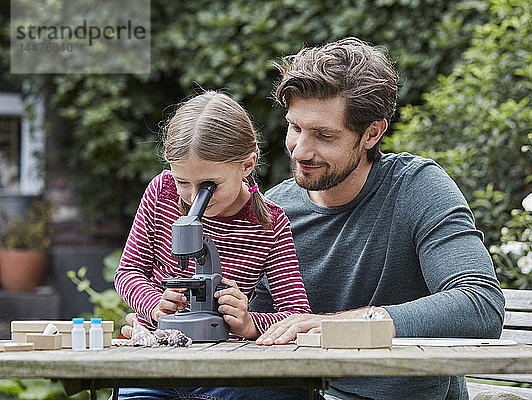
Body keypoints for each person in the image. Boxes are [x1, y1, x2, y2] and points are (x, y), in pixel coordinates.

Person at [249, 37, 505, 400]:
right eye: (295, 128)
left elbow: (479, 306)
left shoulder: (416, 188)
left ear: (372, 132)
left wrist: (343, 325)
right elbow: (252, 329)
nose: (301, 150)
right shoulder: (272, 208)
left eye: (324, 135)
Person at [115, 91, 318, 399]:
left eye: (209, 186)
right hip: (155, 362)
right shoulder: (161, 192)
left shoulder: (269, 223)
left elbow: (296, 314)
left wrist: (249, 322)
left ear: (247, 165)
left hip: (223, 371)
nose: (193, 197)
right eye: (183, 182)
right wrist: (154, 304)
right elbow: (128, 272)